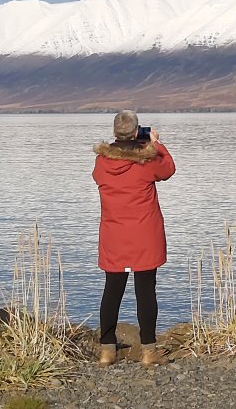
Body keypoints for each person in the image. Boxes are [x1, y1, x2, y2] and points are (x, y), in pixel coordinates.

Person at [92, 110, 176, 367]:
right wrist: (156, 144)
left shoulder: (102, 163)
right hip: (144, 235)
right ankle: (149, 352)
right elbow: (168, 169)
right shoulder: (146, 161)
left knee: (112, 290)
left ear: (115, 132)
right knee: (146, 291)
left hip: (114, 235)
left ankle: (108, 351)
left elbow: (98, 177)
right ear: (136, 131)